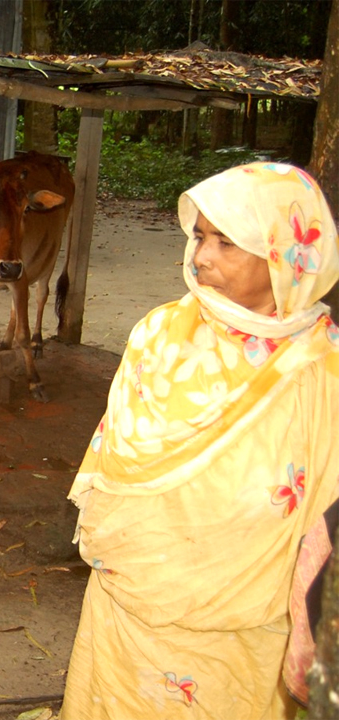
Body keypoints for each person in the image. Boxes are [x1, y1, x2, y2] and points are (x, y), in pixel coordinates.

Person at [62, 163, 339, 718]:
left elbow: (323, 517)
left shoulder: (321, 367)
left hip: (248, 621)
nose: (202, 257)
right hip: (132, 599)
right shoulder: (159, 333)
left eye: (227, 242)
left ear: (289, 257)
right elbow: (116, 457)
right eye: (198, 236)